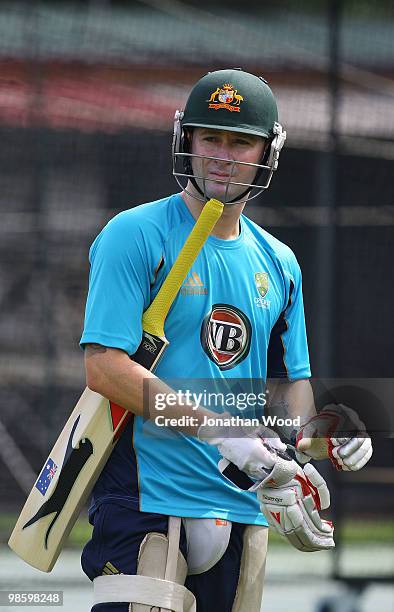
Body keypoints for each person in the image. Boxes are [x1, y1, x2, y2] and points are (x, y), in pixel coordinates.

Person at [80, 69, 372, 612]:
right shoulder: (134, 234)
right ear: (185, 141)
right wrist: (221, 433)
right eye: (210, 137)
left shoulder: (280, 262)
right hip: (145, 499)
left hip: (240, 506)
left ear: (269, 151)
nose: (223, 154)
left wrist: (322, 431)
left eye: (241, 141)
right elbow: (105, 369)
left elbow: (290, 393)